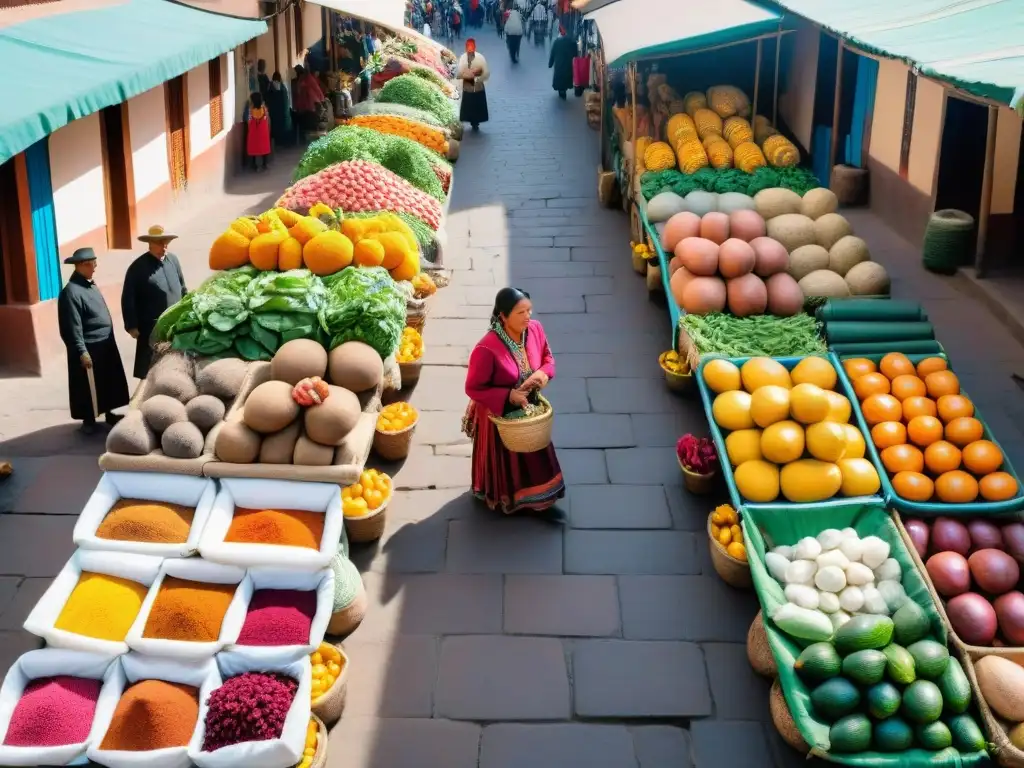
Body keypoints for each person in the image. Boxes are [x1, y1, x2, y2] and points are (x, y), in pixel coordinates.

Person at [463, 288, 566, 523]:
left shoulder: (536, 329)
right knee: (508, 460)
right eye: (521, 312)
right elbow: (474, 388)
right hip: (498, 413)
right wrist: (509, 396)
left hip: (528, 410)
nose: (527, 316)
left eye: (529, 310)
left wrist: (542, 374)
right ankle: (508, 498)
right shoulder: (486, 349)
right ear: (504, 316)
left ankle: (541, 500)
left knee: (536, 450)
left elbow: (549, 358)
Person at [58, 248, 130, 435]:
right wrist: (81, 351)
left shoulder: (90, 284)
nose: (95, 267)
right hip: (89, 346)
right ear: (81, 265)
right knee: (87, 386)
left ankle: (109, 413)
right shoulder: (71, 292)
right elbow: (72, 325)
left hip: (104, 344)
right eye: (92, 264)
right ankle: (88, 420)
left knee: (107, 381)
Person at [121, 226, 187, 380]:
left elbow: (183, 286)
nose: (164, 247)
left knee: (175, 363)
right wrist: (131, 325)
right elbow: (128, 298)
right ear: (150, 244)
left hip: (175, 323)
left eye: (166, 243)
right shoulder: (137, 268)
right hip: (151, 326)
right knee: (151, 369)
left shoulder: (173, 260)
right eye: (159, 243)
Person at [457, 38, 489, 131]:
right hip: (472, 86)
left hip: (475, 86)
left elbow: (485, 72)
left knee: (472, 104)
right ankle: (474, 122)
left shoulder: (478, 57)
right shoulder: (465, 58)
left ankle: (474, 122)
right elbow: (459, 73)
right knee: (474, 104)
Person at [293, 64, 325, 137]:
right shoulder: (308, 79)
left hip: (314, 106)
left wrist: (300, 109)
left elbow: (306, 99)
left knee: (305, 120)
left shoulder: (306, 82)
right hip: (316, 104)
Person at [246, 92, 271, 170]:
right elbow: (267, 119)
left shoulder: (251, 110)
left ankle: (254, 164)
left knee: (253, 147)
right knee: (264, 146)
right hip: (263, 132)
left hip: (253, 132)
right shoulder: (264, 109)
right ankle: (264, 164)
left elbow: (249, 121)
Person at [267, 72, 293, 147]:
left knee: (275, 126)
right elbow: (285, 99)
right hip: (282, 110)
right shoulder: (282, 87)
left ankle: (276, 142)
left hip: (274, 111)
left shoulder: (270, 86)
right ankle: (282, 143)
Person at [549, 24, 575, 99]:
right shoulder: (572, 42)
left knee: (559, 78)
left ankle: (561, 90)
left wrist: (550, 64)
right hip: (568, 66)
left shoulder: (557, 42)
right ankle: (564, 90)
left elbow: (552, 54)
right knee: (566, 78)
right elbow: (575, 53)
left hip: (559, 65)